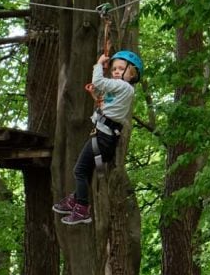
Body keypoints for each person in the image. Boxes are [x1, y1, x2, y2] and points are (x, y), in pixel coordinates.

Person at [53, 49, 143, 225]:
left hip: (103, 137)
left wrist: (99, 64)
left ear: (131, 74)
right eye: (114, 68)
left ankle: (82, 208)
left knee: (79, 170)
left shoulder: (124, 86)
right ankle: (76, 199)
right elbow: (104, 94)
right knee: (85, 171)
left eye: (120, 69)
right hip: (105, 137)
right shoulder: (122, 89)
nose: (116, 71)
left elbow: (98, 81)